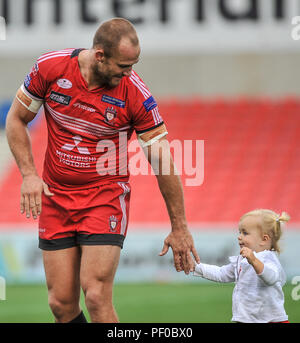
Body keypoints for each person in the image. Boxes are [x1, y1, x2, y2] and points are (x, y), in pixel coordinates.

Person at [5, 17, 200, 323]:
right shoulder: (50, 68)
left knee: (95, 295)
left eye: (133, 64)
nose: (129, 72)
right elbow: (16, 119)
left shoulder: (135, 94)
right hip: (55, 197)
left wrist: (180, 226)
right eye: (123, 65)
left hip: (103, 197)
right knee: (60, 304)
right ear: (99, 55)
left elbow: (162, 159)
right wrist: (29, 174)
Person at [193, 209, 289, 323]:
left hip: (270, 320)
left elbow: (271, 278)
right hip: (248, 320)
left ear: (264, 239)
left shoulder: (268, 258)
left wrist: (253, 260)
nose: (239, 236)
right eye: (239, 232)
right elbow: (221, 273)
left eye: (245, 233)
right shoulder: (242, 259)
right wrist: (194, 266)